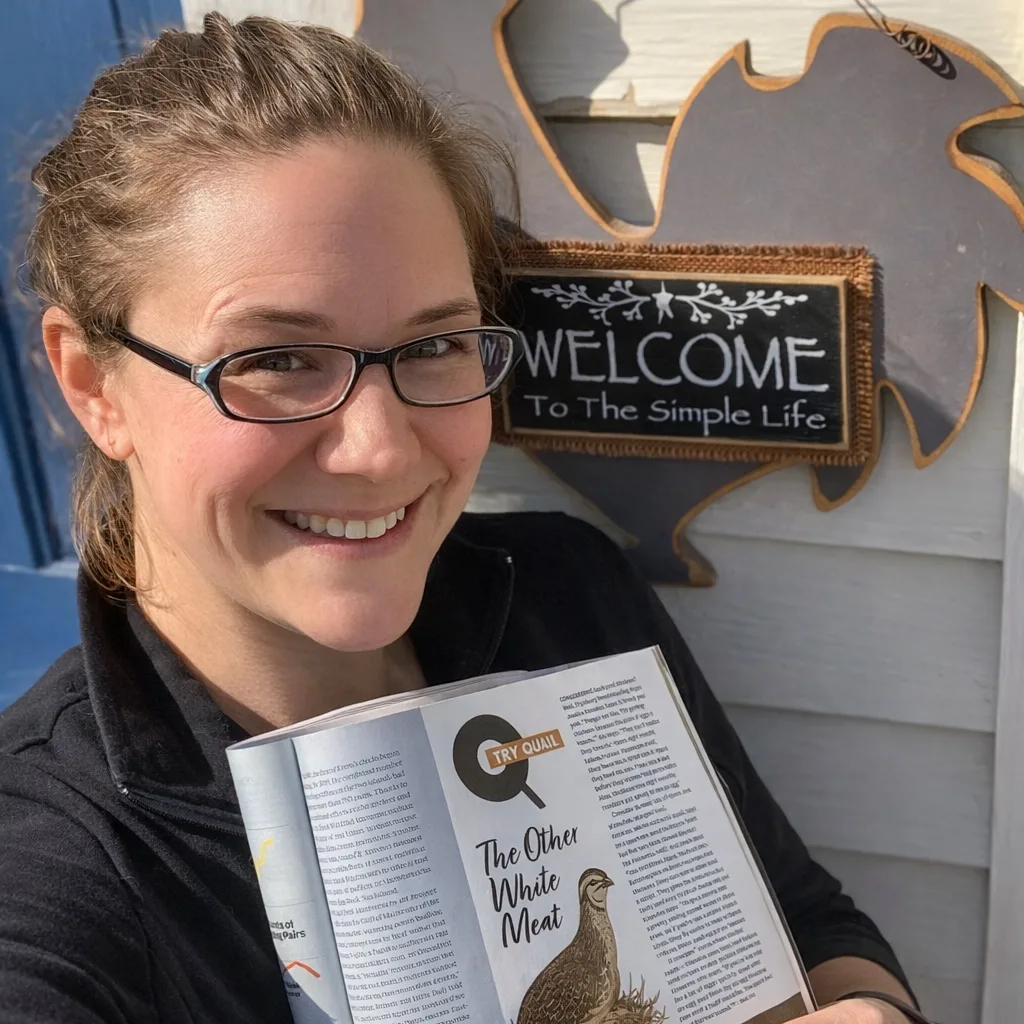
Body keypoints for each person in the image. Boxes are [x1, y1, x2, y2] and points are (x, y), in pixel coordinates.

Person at [0, 13, 927, 1024]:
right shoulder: (55, 860)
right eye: (274, 360)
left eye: (434, 346)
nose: (382, 448)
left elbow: (802, 920)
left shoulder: (569, 599)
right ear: (94, 385)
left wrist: (865, 1005)